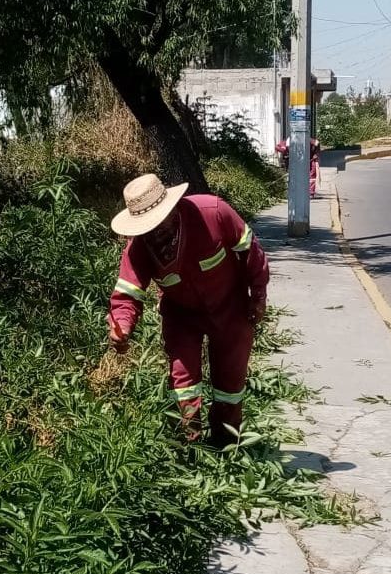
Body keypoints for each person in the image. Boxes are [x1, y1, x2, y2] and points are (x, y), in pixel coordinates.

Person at [108, 173, 270, 446]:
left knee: (230, 385)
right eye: (147, 228)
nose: (154, 232)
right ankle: (190, 448)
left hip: (231, 308)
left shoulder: (213, 213)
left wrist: (258, 295)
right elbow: (127, 294)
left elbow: (251, 252)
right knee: (183, 384)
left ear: (172, 208)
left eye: (159, 223)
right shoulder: (139, 248)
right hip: (180, 316)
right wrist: (122, 326)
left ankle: (226, 445)